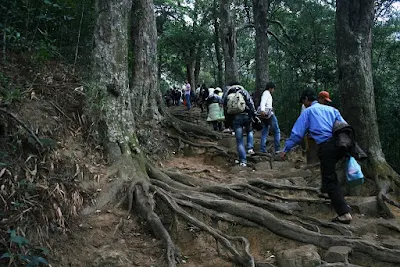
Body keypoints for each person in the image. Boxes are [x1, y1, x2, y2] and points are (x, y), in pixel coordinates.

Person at [280, 89, 352, 224]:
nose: (304, 104)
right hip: (340, 145)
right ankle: (328, 193)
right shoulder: (332, 110)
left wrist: (286, 149)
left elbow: (297, 134)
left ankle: (344, 213)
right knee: (329, 173)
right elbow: (344, 126)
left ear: (307, 99)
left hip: (326, 146)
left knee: (330, 179)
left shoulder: (308, 112)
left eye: (303, 101)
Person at [223, 82, 257, 167]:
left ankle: (243, 161)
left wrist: (228, 122)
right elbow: (250, 103)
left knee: (239, 140)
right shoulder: (243, 91)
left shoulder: (228, 92)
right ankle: (250, 148)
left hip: (236, 118)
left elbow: (224, 106)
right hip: (246, 115)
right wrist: (254, 114)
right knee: (249, 131)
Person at [258, 82, 281, 154]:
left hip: (265, 114)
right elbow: (263, 102)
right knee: (276, 131)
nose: (273, 90)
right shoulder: (266, 93)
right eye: (273, 89)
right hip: (268, 114)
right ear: (271, 88)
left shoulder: (266, 94)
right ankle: (277, 149)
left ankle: (262, 149)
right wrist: (262, 110)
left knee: (265, 131)